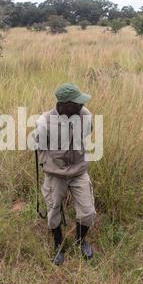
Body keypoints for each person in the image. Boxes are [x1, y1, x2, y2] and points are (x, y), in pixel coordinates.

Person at [35, 83, 96, 266]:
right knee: (54, 210)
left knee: (87, 213)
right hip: (55, 173)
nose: (81, 106)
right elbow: (41, 147)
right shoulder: (44, 121)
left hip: (78, 171)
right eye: (77, 103)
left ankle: (80, 240)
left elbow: (87, 133)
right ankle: (58, 244)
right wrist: (51, 167)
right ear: (64, 104)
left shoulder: (85, 115)